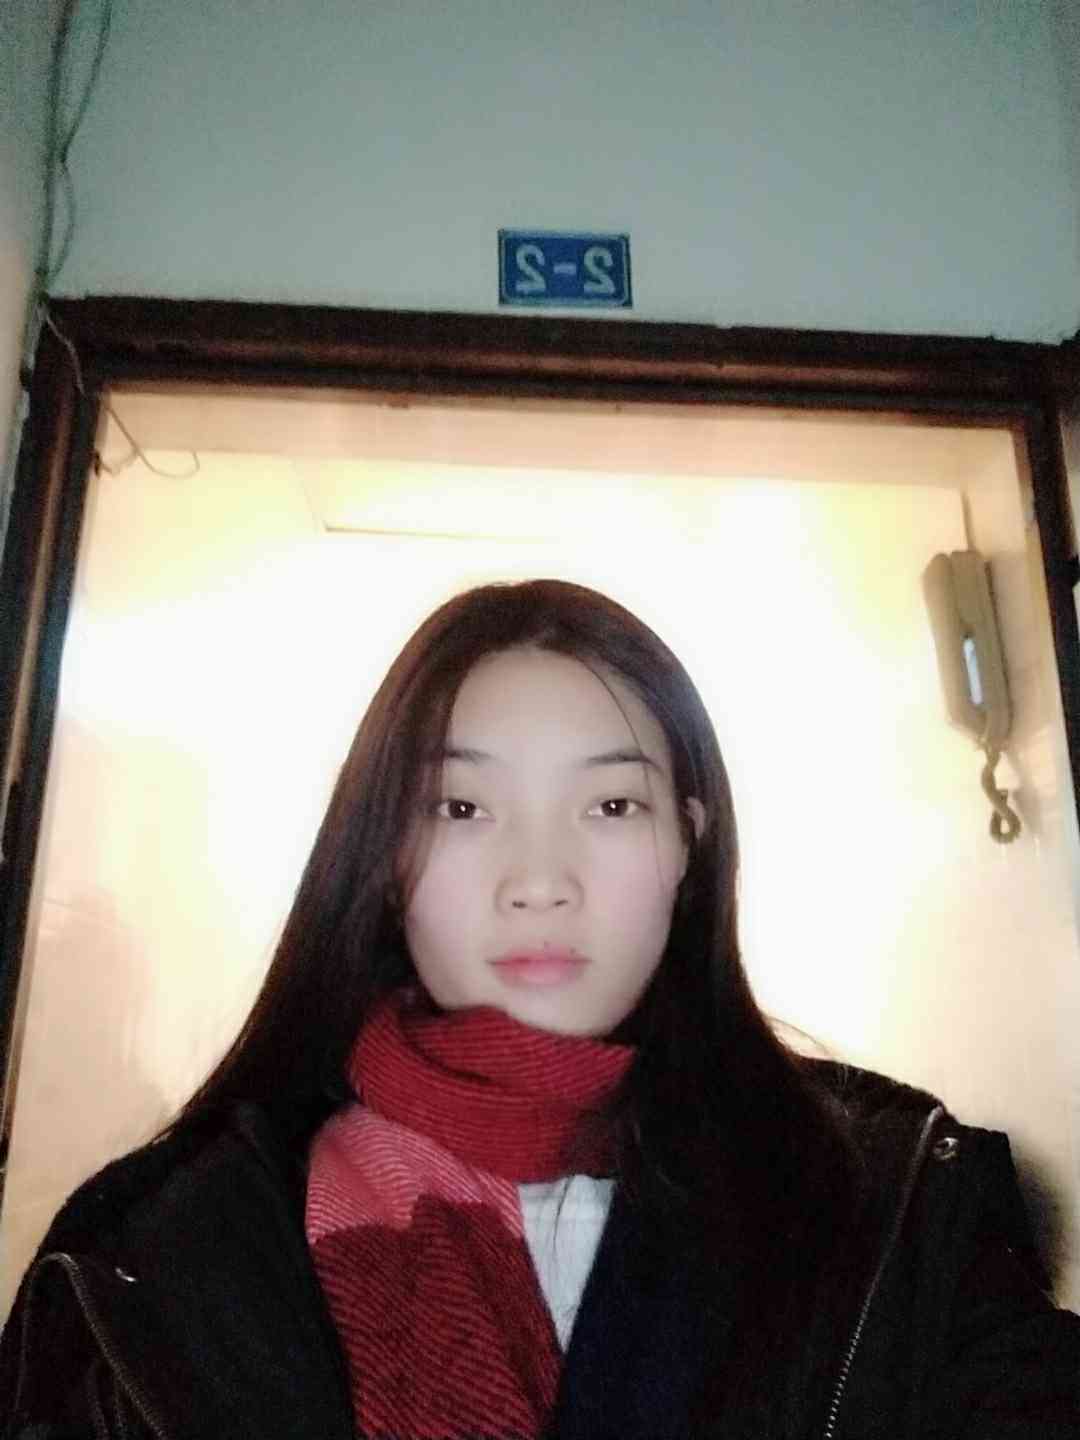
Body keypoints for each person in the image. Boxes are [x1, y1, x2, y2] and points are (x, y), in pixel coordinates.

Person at [1, 577, 1078, 1440]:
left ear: (688, 844)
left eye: (610, 804)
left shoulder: (894, 1209)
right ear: (385, 854)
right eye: (462, 806)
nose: (539, 880)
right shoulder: (161, 1250)